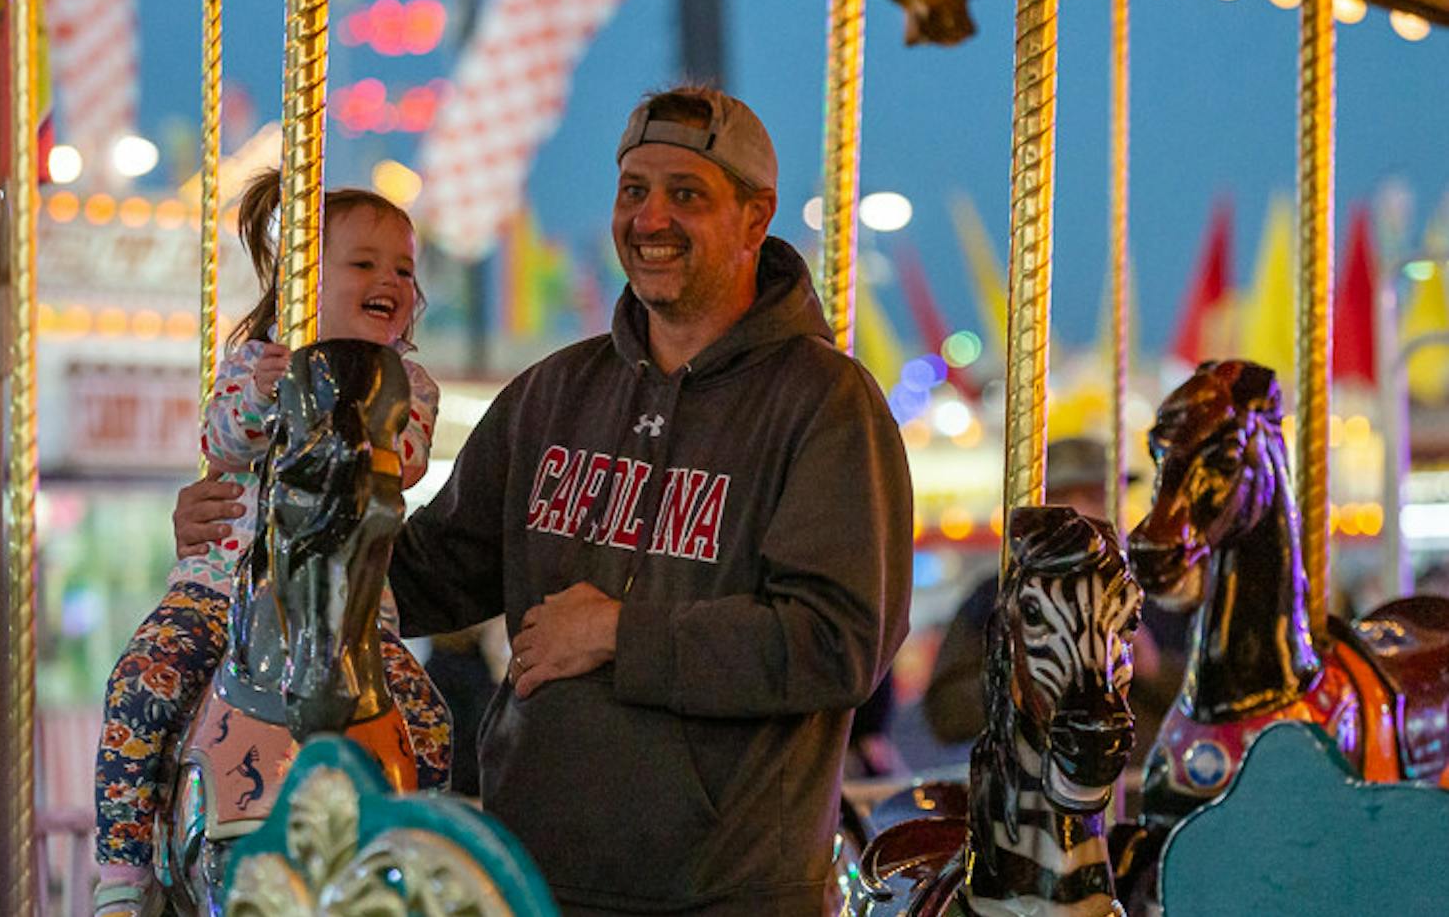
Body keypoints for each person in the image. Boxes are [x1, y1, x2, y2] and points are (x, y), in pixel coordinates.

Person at [174, 86, 914, 915]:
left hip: (723, 889)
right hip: (533, 876)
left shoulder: (824, 405)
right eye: (633, 190)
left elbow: (838, 640)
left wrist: (619, 634)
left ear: (755, 219)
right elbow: (422, 574)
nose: (650, 218)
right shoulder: (554, 394)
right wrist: (252, 527)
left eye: (685, 193)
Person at [94, 174, 453, 917]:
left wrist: (352, 403)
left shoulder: (406, 383)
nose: (391, 279)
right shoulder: (252, 363)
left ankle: (422, 865)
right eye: (365, 263)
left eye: (404, 269)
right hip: (219, 591)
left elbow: (405, 456)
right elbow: (220, 438)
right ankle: (124, 869)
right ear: (302, 275)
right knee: (143, 682)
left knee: (428, 718)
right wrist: (268, 390)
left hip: (349, 615)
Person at [922, 436, 1189, 760]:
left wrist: (1155, 668)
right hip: (1037, 786)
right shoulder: (996, 596)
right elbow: (945, 713)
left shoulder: (1158, 591)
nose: (1082, 512)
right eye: (1062, 499)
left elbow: (1207, 697)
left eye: (1093, 496)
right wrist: (1027, 677)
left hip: (1136, 784)